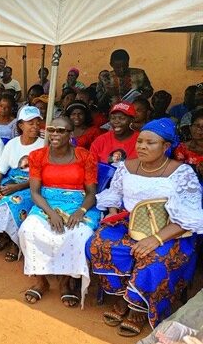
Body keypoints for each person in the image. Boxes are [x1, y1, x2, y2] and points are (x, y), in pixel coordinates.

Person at [87, 118, 203, 337]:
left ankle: (139, 308)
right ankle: (124, 295)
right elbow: (114, 196)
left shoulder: (182, 173)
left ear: (166, 147)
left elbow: (190, 217)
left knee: (155, 260)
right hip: (131, 222)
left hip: (172, 230)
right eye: (140, 141)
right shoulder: (126, 167)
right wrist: (113, 214)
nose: (142, 146)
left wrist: (156, 239)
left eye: (150, 143)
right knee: (100, 242)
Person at [19, 116, 100, 308]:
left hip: (77, 203)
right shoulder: (37, 155)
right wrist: (50, 213)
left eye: (61, 130)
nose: (55, 134)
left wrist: (80, 211)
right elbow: (35, 192)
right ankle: (41, 281)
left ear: (70, 134)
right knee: (28, 230)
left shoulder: (84, 156)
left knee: (78, 234)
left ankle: (65, 283)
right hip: (46, 202)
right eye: (51, 130)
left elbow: (91, 193)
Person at [0, 106, 45, 261]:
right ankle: (3, 234)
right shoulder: (12, 144)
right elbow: (0, 169)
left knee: (12, 203)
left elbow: (41, 177)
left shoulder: (43, 145)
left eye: (37, 123)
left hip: (32, 184)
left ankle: (15, 243)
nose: (35, 126)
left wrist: (17, 187)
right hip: (12, 178)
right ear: (21, 125)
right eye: (30, 123)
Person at [174, 109, 203, 181]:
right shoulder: (182, 148)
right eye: (196, 125)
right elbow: (179, 173)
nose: (199, 129)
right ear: (190, 127)